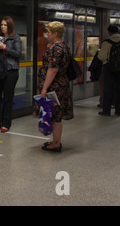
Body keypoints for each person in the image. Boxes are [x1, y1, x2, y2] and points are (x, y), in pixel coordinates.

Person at [36, 21, 73, 152]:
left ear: (55, 34)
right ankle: (55, 140)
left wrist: (44, 88)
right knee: (55, 115)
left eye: (49, 32)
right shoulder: (63, 47)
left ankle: (56, 143)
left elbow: (52, 70)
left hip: (55, 87)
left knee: (56, 116)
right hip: (61, 84)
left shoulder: (57, 49)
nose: (46, 34)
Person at [97, 25, 120, 117]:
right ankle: (119, 111)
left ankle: (106, 111)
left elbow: (101, 57)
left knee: (108, 90)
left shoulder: (106, 42)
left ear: (109, 32)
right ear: (118, 31)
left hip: (109, 69)